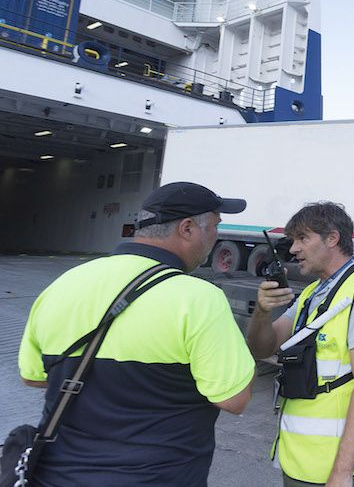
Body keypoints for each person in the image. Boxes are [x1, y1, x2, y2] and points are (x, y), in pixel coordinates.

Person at [17, 181, 256, 486]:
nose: (216, 237)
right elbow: (234, 399)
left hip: (57, 475)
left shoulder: (64, 283)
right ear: (187, 229)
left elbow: (32, 376)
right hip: (158, 476)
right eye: (214, 226)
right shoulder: (197, 298)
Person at [247, 202, 354, 487]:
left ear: (332, 238)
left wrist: (342, 472)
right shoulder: (314, 293)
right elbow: (262, 348)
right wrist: (262, 311)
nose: (293, 249)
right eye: (293, 240)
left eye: (303, 238)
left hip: (332, 467)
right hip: (301, 457)